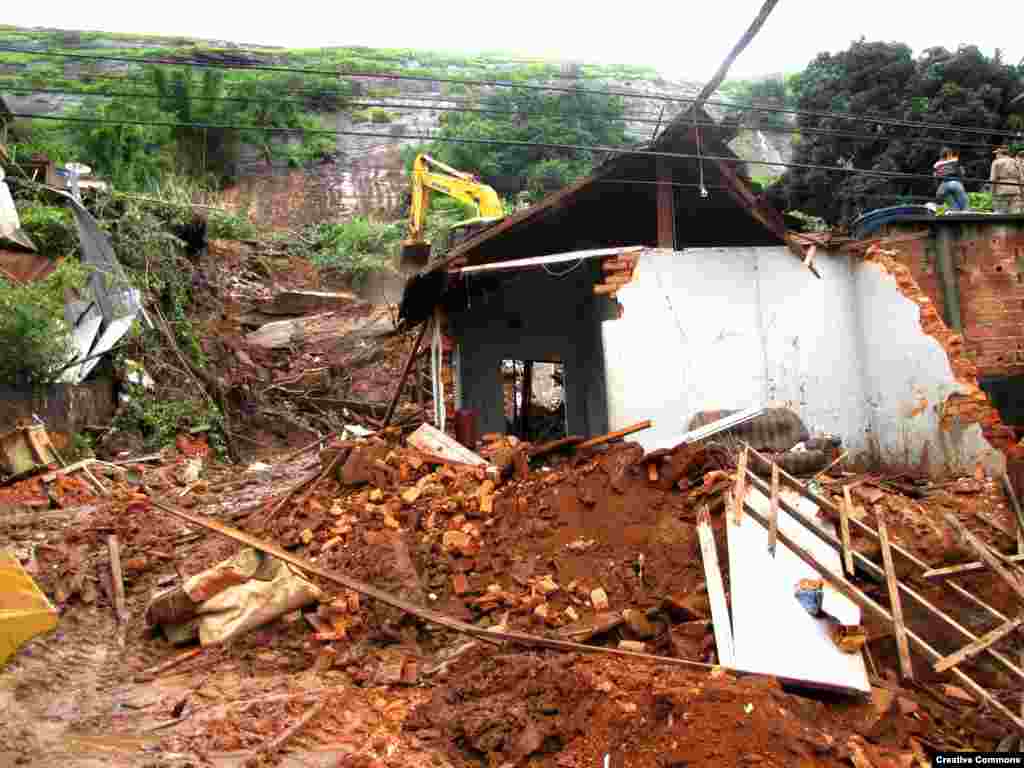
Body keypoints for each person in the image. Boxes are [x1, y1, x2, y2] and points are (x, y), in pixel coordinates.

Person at [934, 147, 969, 212]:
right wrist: (962, 181)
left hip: (943, 187)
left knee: (954, 207)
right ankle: (966, 218)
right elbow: (962, 172)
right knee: (965, 205)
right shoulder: (954, 161)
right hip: (955, 183)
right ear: (949, 154)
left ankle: (955, 216)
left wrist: (938, 190)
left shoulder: (937, 164)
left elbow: (935, 177)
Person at [990, 145, 1022, 214]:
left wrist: (992, 193)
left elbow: (993, 179)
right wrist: (1021, 193)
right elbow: (1021, 179)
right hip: (1015, 190)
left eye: (996, 154)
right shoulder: (1015, 162)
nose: (996, 155)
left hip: (1002, 190)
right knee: (1015, 214)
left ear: (1000, 153)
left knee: (1000, 213)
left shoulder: (996, 162)